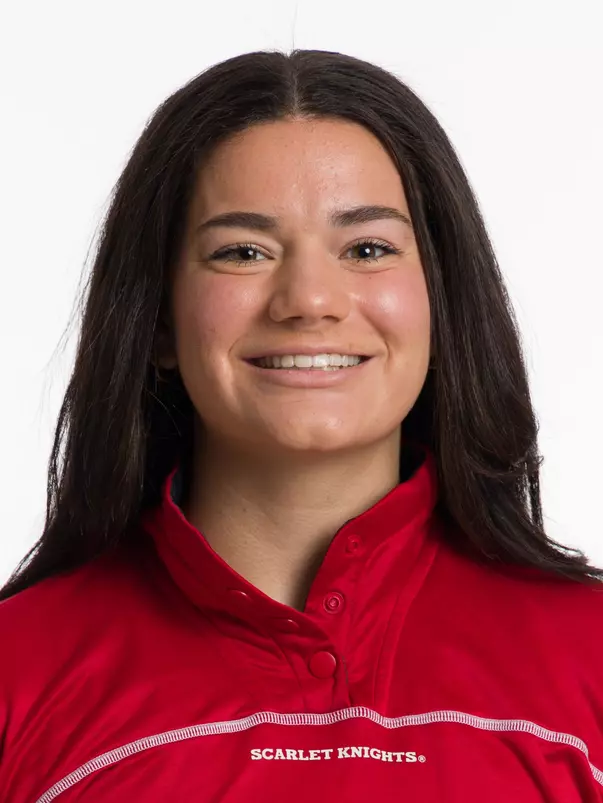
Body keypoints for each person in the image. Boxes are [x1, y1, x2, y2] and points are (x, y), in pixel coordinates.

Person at [1, 48, 602, 803]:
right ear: (157, 319)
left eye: (368, 248)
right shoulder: (17, 672)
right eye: (242, 251)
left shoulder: (590, 658)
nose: (310, 299)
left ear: (440, 301)